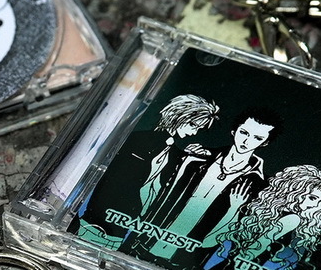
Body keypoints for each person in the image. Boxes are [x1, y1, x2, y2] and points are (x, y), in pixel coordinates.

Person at [74, 93, 220, 250]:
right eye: (193, 125)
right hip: (95, 224)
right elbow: (109, 179)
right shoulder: (137, 140)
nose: (194, 133)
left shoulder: (174, 153)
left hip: (122, 231)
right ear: (179, 116)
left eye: (198, 129)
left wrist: (187, 156)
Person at [143, 107, 281, 268]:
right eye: (244, 133)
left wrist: (235, 207)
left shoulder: (259, 185)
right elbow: (160, 191)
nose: (246, 141)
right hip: (146, 241)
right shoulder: (198, 158)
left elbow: (234, 230)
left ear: (265, 142)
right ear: (234, 131)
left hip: (187, 261)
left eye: (257, 138)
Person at [195, 163, 321, 270]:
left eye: (320, 201)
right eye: (312, 198)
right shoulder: (292, 219)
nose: (316, 206)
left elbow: (212, 244)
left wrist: (234, 209)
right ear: (295, 191)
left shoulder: (264, 215)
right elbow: (245, 258)